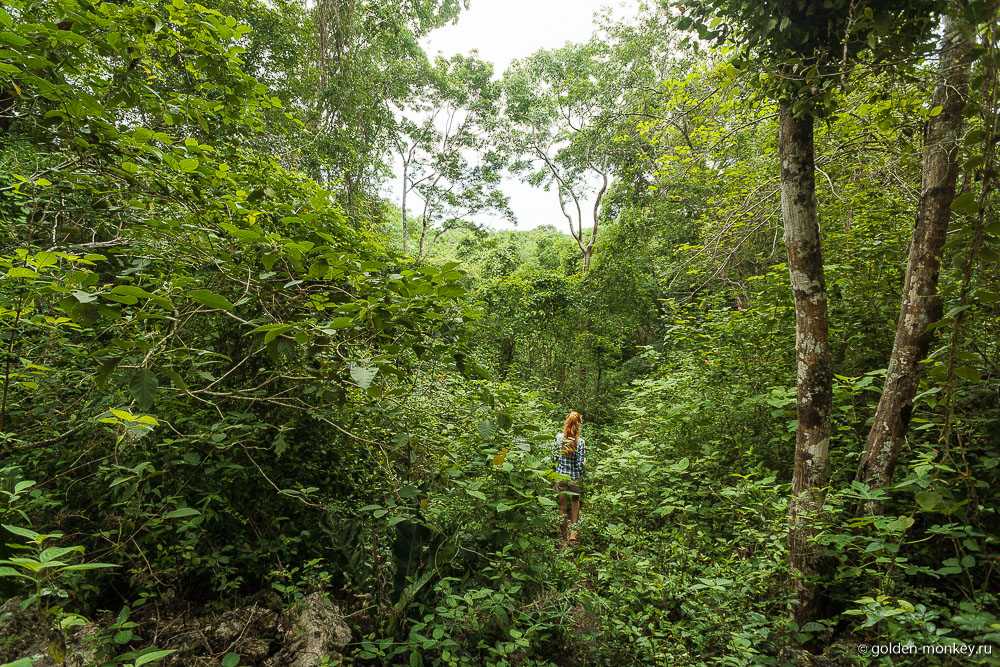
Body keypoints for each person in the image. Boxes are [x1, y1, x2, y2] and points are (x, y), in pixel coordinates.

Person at [552, 411, 586, 545]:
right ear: (578, 424)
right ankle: (573, 534)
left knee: (562, 507)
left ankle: (563, 536)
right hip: (575, 478)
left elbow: (554, 457)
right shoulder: (580, 442)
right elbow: (579, 466)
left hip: (560, 476)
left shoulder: (559, 438)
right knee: (575, 503)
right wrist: (584, 461)